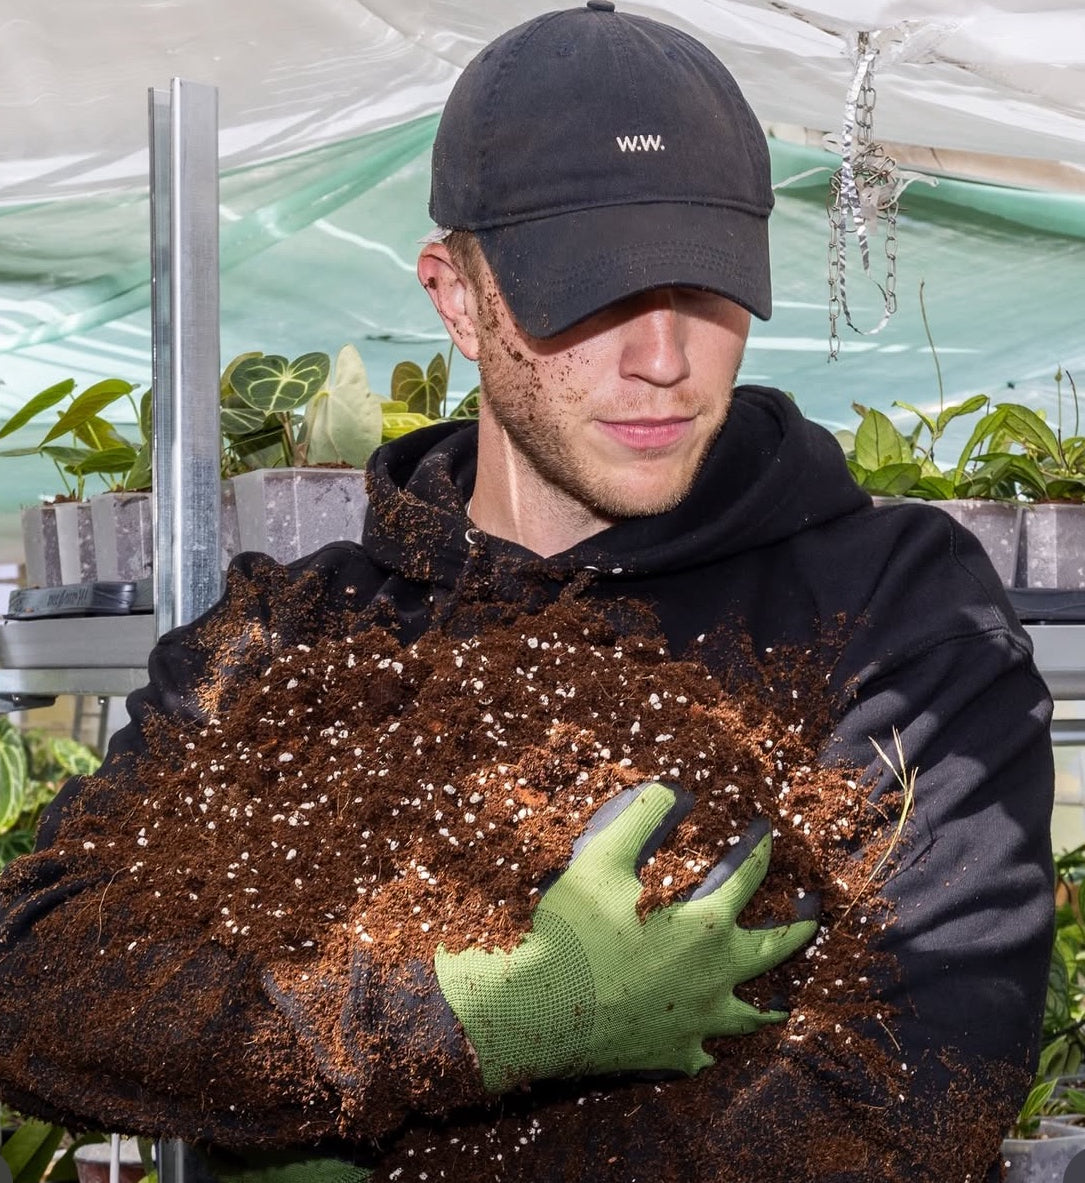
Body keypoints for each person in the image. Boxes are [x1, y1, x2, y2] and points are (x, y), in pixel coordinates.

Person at [0, 4, 1054, 1182]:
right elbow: (40, 980)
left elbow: (905, 1099)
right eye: (592, 292)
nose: (662, 356)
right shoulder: (286, 640)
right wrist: (478, 1021)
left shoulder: (891, 611)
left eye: (705, 286)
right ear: (458, 297)